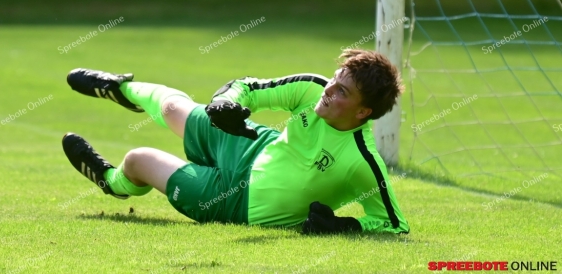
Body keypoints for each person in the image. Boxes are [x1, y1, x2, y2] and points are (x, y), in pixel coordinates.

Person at [61, 48, 409, 234]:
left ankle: (112, 182)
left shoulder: (362, 160)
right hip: (254, 146)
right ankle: (119, 88)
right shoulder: (312, 89)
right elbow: (248, 87)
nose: (328, 91)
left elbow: (394, 224)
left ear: (363, 112)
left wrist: (345, 226)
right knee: (171, 107)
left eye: (342, 91)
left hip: (239, 204)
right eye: (334, 80)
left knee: (138, 159)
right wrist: (225, 102)